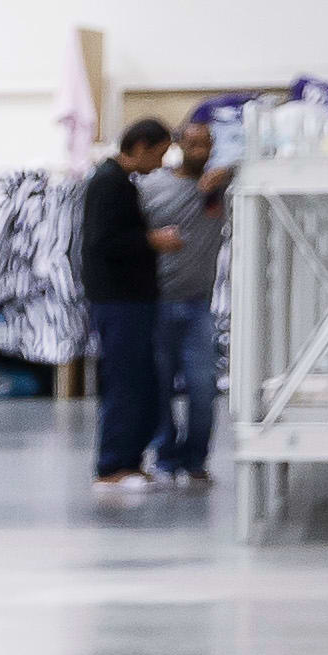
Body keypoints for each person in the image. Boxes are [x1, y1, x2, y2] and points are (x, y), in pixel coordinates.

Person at [76, 120, 170, 494]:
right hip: (120, 301)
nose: (160, 164)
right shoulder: (108, 184)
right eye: (159, 154)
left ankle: (129, 461)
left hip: (132, 300)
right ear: (141, 146)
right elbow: (103, 242)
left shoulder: (120, 183)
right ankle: (111, 465)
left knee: (138, 381)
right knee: (124, 382)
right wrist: (151, 240)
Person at [141, 120, 234, 486]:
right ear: (178, 145)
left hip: (199, 306)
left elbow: (261, 164)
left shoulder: (219, 188)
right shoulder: (151, 187)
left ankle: (195, 460)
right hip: (158, 303)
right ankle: (166, 457)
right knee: (159, 387)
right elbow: (130, 234)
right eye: (194, 144)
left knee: (203, 387)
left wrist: (229, 170)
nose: (201, 151)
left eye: (207, 144)